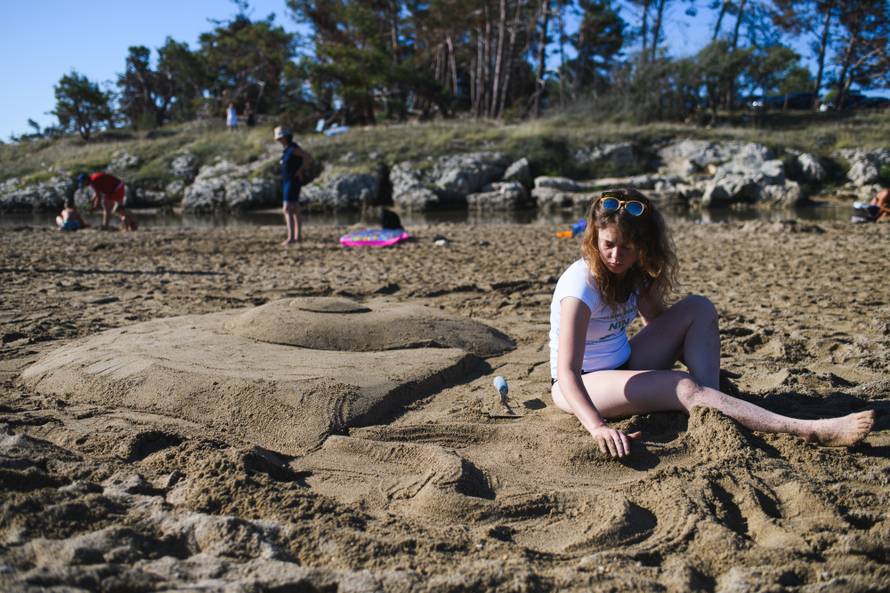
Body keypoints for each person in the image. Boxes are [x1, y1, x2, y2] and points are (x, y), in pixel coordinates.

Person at [549, 188, 874, 459]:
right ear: (595, 238)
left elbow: (660, 325)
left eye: (627, 247)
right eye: (608, 244)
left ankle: (711, 402)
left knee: (698, 308)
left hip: (624, 362)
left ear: (642, 246)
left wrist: (701, 362)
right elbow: (567, 372)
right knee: (682, 385)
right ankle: (807, 430)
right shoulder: (580, 287)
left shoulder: (633, 274)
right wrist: (598, 427)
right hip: (580, 383)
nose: (616, 255)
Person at [274, 125, 312, 245]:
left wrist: (300, 170)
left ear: (285, 137)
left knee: (287, 208)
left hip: (292, 180)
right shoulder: (286, 149)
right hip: (287, 181)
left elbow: (307, 157)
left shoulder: (293, 148)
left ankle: (291, 237)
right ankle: (297, 236)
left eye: (280, 137)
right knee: (294, 208)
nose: (278, 140)